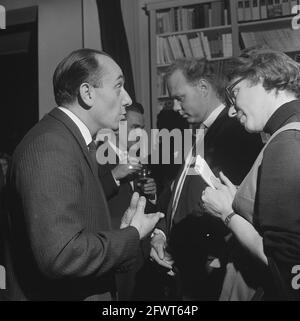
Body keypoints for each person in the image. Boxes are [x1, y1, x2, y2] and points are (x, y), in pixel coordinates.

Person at [4, 49, 164, 301]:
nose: (127, 98)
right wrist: (131, 235)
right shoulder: (51, 146)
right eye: (119, 86)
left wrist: (121, 231)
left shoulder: (69, 141)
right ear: (87, 93)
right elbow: (62, 256)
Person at [150, 58, 263, 300]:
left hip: (211, 270)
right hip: (189, 265)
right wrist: (161, 233)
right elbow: (177, 192)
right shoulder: (199, 131)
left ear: (203, 87)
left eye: (180, 98)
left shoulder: (235, 131)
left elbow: (239, 204)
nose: (176, 107)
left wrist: (213, 255)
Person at [202, 49, 300, 301]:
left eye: (234, 93)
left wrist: (227, 214)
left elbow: (280, 260)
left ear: (262, 79)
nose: (232, 111)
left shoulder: (286, 141)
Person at [96, 102, 158, 300]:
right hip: (115, 250)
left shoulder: (139, 155)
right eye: (135, 128)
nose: (141, 134)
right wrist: (115, 174)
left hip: (141, 252)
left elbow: (145, 205)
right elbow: (88, 196)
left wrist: (152, 192)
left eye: (142, 127)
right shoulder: (97, 152)